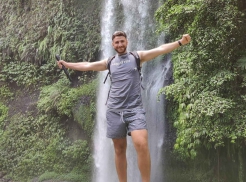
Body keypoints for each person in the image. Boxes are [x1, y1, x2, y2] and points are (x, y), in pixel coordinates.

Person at [57, 31, 191, 182]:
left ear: (127, 42)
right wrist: (66, 64)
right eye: (117, 42)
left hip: (135, 110)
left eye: (122, 41)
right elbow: (87, 65)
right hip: (114, 110)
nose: (120, 44)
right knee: (119, 149)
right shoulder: (109, 62)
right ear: (113, 44)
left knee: (141, 143)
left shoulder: (137, 57)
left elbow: (160, 49)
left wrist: (180, 42)